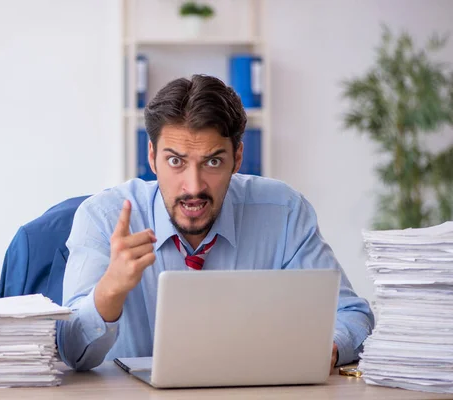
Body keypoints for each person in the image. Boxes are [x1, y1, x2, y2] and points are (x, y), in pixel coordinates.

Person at [57, 74, 374, 372]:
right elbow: (70, 350)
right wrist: (110, 289)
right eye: (175, 161)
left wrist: (325, 347)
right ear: (152, 157)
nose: (193, 186)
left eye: (212, 162)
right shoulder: (102, 217)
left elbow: (353, 318)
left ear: (237, 157)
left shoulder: (284, 213)